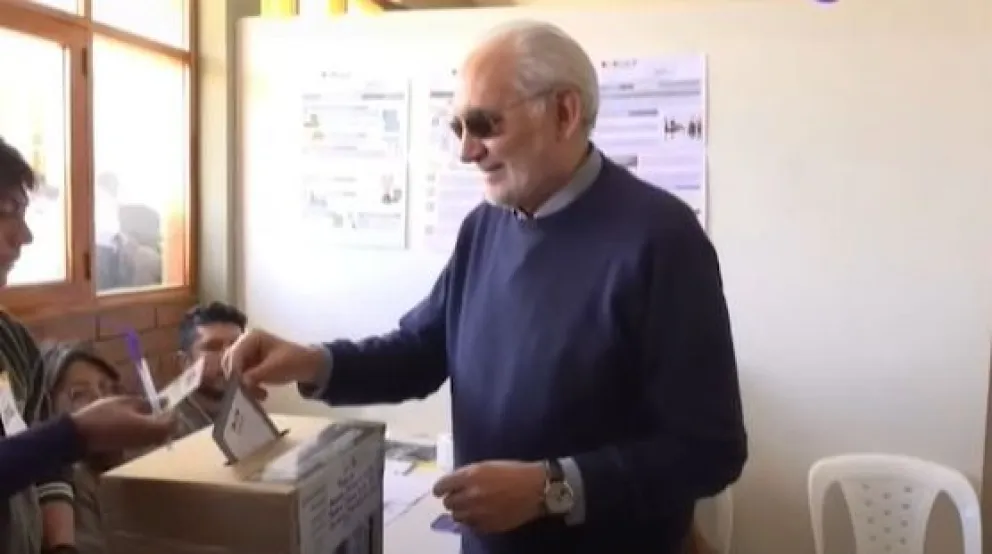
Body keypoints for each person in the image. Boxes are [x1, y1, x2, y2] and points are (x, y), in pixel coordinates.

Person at [223, 20, 747, 554]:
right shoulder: (484, 227)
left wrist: (552, 487)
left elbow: (710, 449)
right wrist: (309, 361)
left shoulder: (661, 239)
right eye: (457, 129)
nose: (466, 152)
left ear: (564, 113)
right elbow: (422, 350)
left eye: (484, 124)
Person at [0, 136, 176, 554]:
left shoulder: (13, 341)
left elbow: (42, 460)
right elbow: (52, 444)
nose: (23, 236)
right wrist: (76, 432)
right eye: (6, 212)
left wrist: (61, 546)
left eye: (24, 213)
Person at [39, 342, 127, 554]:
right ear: (48, 410)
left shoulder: (130, 458)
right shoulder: (71, 485)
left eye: (106, 388)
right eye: (79, 394)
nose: (101, 401)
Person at [173, 301, 247, 436]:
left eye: (237, 346)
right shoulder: (167, 429)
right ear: (185, 362)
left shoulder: (247, 411)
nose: (228, 356)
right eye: (213, 347)